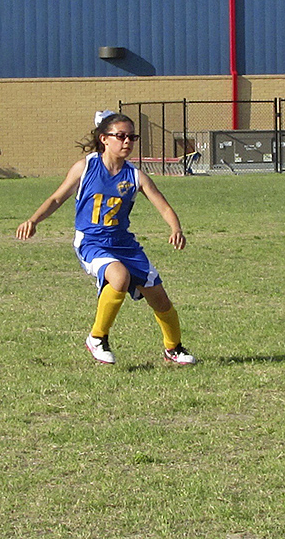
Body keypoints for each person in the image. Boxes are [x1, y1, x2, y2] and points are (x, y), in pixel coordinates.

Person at [16, 111, 197, 366]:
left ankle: (173, 348)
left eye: (131, 137)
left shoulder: (135, 176)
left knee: (160, 299)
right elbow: (57, 198)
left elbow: (164, 207)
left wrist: (175, 228)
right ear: (104, 139)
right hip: (91, 242)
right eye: (121, 136)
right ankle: (97, 338)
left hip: (125, 245)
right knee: (119, 277)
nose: (127, 142)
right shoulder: (86, 167)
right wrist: (33, 220)